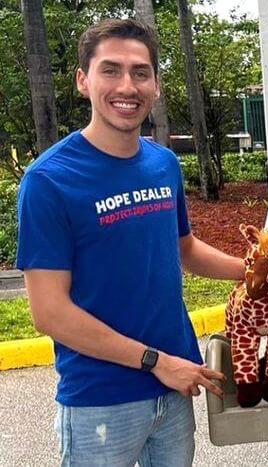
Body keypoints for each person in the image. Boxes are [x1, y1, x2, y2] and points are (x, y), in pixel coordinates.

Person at [17, 19, 247, 466]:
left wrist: (256, 266)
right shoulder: (49, 181)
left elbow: (184, 249)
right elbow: (49, 312)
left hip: (173, 388)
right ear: (83, 80)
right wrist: (154, 361)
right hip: (102, 401)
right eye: (111, 70)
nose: (128, 85)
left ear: (156, 85)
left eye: (141, 72)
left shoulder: (163, 164)